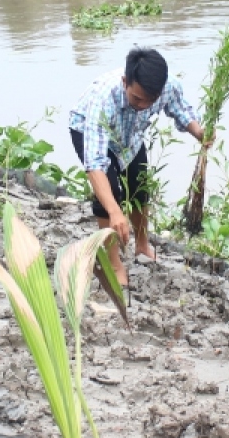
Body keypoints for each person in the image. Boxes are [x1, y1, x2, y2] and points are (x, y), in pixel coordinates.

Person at [69, 47, 209, 285]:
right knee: (110, 193)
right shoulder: (103, 100)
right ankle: (113, 262)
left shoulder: (168, 86)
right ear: (125, 82)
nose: (143, 105)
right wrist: (115, 211)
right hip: (89, 131)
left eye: (150, 101)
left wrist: (199, 132)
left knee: (140, 185)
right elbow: (95, 165)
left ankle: (142, 245)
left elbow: (180, 109)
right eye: (137, 98)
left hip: (130, 136)